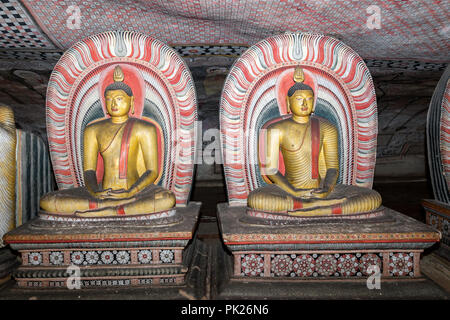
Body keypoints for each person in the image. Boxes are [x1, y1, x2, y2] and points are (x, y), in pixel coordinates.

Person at [40, 66, 175, 217]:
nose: (114, 104)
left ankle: (107, 210)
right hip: (102, 193)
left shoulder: (144, 128)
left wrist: (131, 192)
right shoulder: (93, 129)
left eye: (119, 99)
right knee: (48, 200)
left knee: (167, 199)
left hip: (135, 192)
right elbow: (89, 171)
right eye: (109, 99)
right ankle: (115, 209)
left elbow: (152, 171)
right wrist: (95, 191)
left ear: (131, 101)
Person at [248, 67, 381, 216]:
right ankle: (321, 207)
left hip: (322, 191)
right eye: (299, 99)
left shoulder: (327, 127)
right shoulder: (273, 129)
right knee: (256, 198)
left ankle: (313, 206)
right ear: (288, 102)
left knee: (372, 197)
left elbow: (332, 168)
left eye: (309, 99)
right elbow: (269, 169)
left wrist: (326, 189)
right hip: (289, 190)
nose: (305, 103)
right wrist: (294, 191)